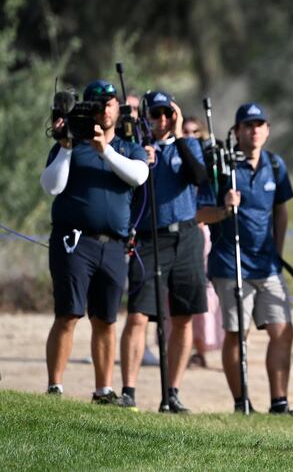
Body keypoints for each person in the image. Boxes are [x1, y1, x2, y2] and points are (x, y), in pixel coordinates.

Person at [40, 80, 149, 404]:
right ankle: (55, 387)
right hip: (74, 242)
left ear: (118, 108)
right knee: (69, 314)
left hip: (114, 245)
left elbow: (139, 175)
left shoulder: (129, 146)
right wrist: (66, 146)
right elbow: (52, 186)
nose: (104, 109)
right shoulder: (70, 145)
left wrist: (106, 150)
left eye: (110, 103)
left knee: (106, 318)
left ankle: (103, 389)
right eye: (97, 104)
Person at [196, 102, 293, 415]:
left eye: (259, 124)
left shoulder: (275, 165)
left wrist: (277, 253)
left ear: (266, 129)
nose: (254, 130)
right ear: (237, 131)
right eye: (247, 125)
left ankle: (279, 403)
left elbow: (281, 211)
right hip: (230, 263)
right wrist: (225, 209)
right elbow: (200, 213)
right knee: (238, 333)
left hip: (267, 265)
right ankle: (242, 403)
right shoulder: (221, 167)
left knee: (283, 331)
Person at [119, 91, 209, 412]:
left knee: (183, 318)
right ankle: (127, 391)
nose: (161, 121)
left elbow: (199, 176)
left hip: (186, 236)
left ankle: (171, 392)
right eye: (155, 114)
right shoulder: (134, 148)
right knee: (138, 315)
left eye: (166, 114)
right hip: (148, 238)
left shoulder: (188, 145)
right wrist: (141, 158)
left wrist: (181, 130)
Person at [182, 116, 224, 368]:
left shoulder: (210, 160)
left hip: (206, 230)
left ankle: (204, 346)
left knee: (209, 293)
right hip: (184, 229)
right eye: (185, 131)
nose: (190, 135)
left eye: (195, 131)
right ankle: (190, 348)